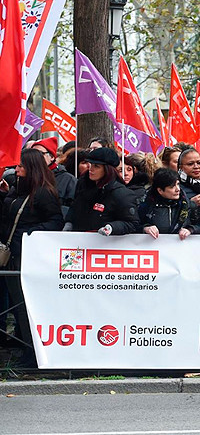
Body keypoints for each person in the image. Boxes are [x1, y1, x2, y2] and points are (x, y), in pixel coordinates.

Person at [0, 149, 64, 365]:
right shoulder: (18, 190)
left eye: (21, 166)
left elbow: (55, 222)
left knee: (25, 305)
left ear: (32, 168)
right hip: (11, 255)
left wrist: (27, 234)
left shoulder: (44, 193)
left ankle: (33, 354)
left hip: (26, 256)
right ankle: (26, 349)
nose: (16, 169)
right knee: (17, 305)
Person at [64, 147, 140, 236]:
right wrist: (69, 223)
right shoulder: (83, 185)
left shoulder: (121, 193)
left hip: (105, 244)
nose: (91, 169)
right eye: (90, 164)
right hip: (78, 242)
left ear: (108, 169)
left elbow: (132, 223)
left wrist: (112, 227)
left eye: (96, 166)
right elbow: (75, 208)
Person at [139, 168, 200, 239]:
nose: (178, 189)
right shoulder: (145, 205)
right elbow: (135, 226)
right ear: (160, 190)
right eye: (172, 186)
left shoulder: (188, 205)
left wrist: (190, 229)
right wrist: (145, 228)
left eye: (178, 184)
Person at [33, 137, 75, 215]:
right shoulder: (26, 176)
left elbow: (71, 209)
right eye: (32, 153)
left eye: (40, 153)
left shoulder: (68, 180)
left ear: (52, 157)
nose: (34, 157)